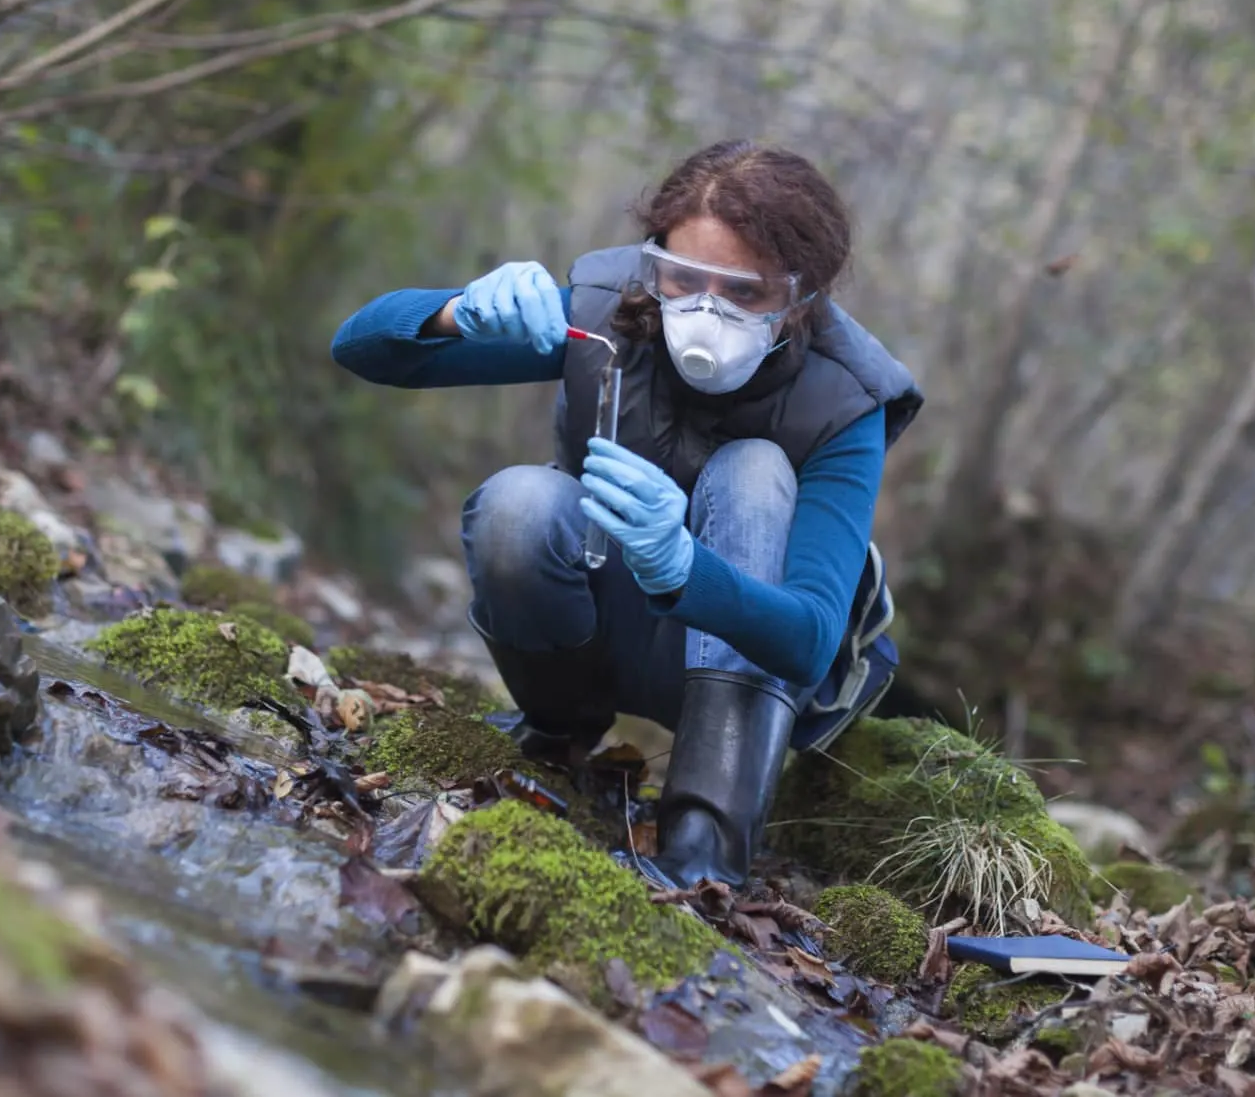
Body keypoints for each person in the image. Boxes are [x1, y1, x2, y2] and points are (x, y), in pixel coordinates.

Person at [330, 140, 922, 890]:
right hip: (597, 617)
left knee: (755, 469)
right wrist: (455, 312)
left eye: (743, 293)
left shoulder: (846, 399)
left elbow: (808, 640)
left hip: (740, 660)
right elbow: (361, 348)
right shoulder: (610, 315)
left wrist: (687, 570)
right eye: (683, 277)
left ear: (801, 298)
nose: (704, 311)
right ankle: (558, 736)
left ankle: (705, 842)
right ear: (655, 260)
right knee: (519, 503)